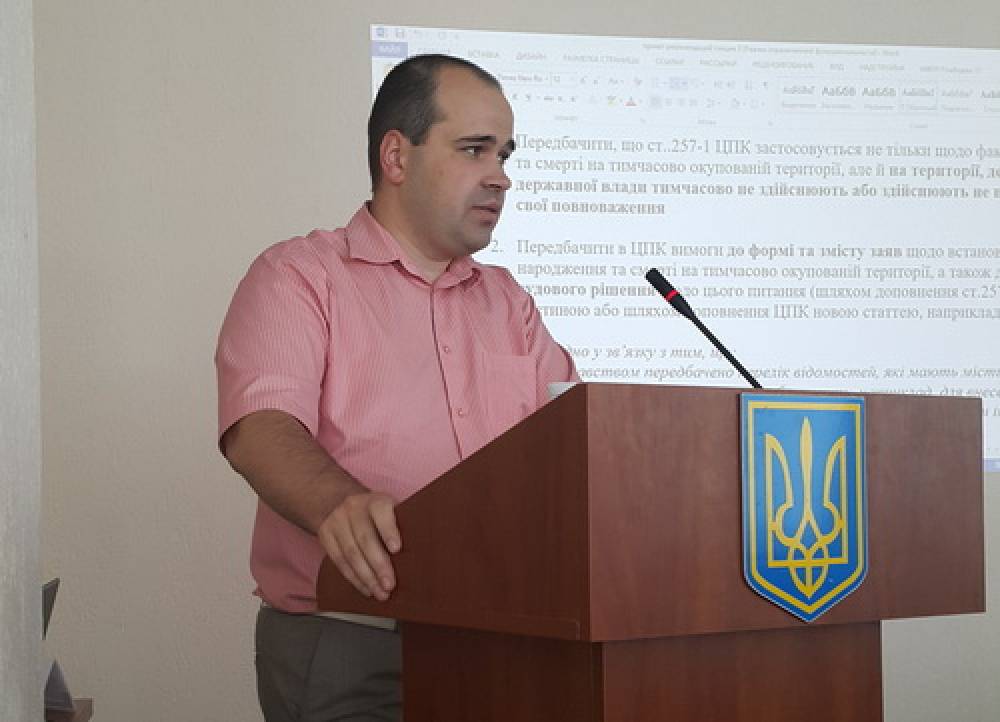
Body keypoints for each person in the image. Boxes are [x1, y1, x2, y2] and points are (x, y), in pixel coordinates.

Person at [215, 54, 578, 722]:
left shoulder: (510, 305)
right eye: (474, 149)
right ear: (396, 157)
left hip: (499, 642)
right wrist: (339, 505)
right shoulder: (300, 277)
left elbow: (573, 447)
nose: (500, 176)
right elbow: (259, 427)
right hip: (352, 641)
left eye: (504, 155)